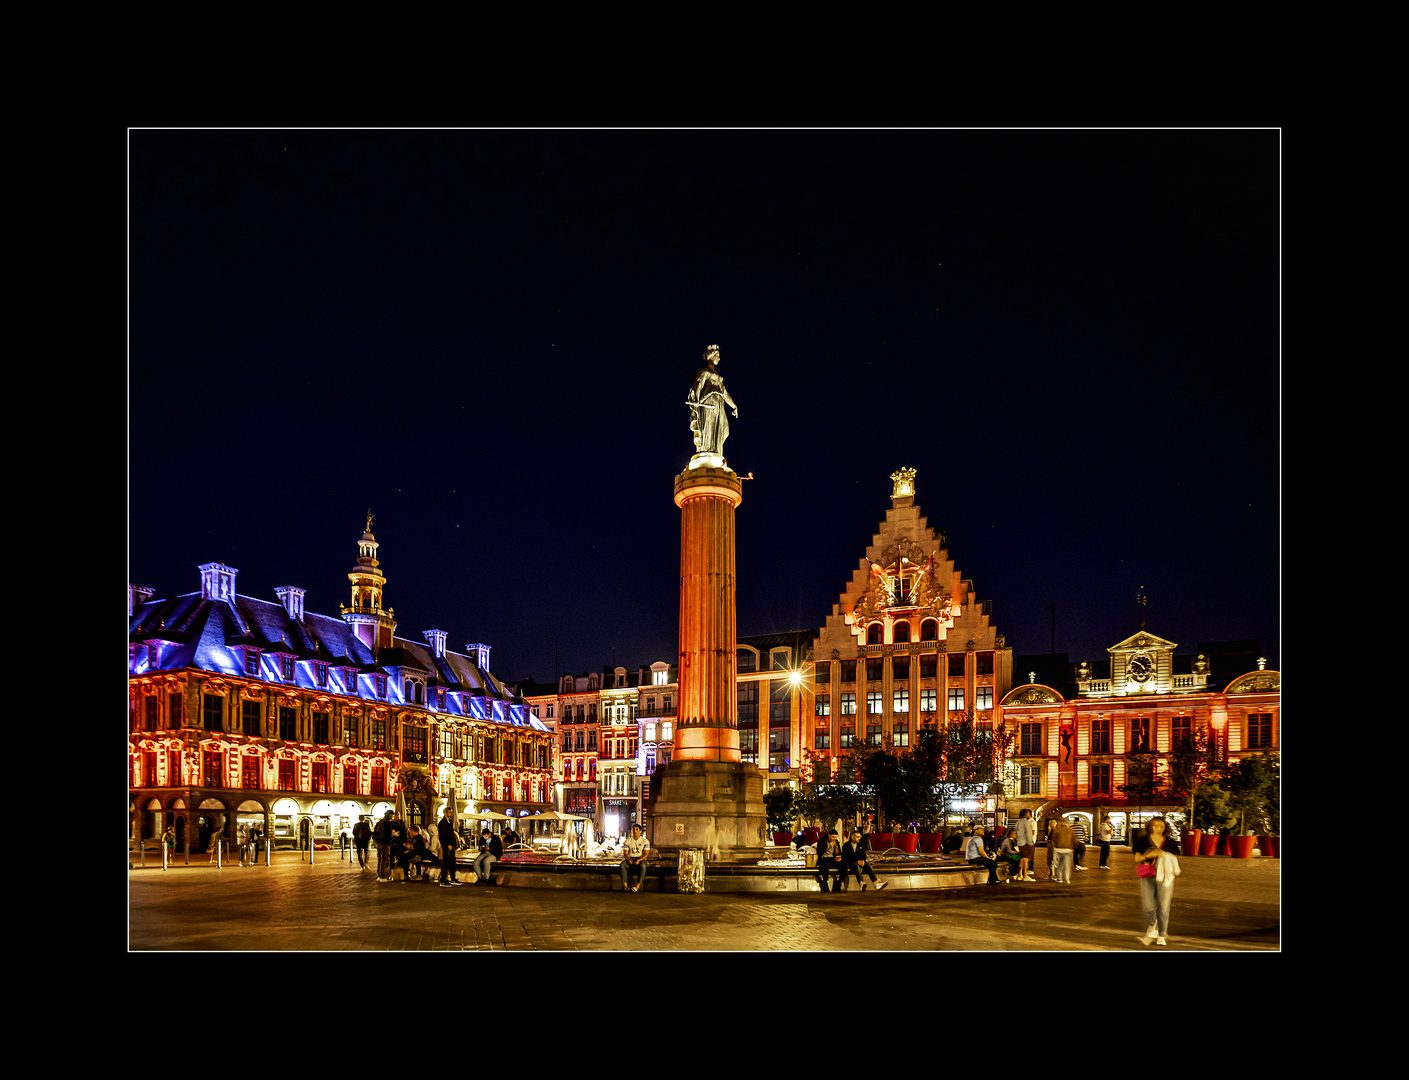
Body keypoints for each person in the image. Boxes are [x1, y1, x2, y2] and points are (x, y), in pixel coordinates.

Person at [1133, 817, 1182, 946]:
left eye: (1162, 826)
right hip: (1147, 875)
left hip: (1165, 877)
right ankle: (1152, 926)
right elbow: (1137, 858)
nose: (1159, 828)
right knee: (1148, 907)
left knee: (1163, 907)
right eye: (1156, 825)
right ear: (1150, 826)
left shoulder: (1170, 842)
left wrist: (1164, 855)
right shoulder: (1142, 841)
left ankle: (1162, 934)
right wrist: (1149, 855)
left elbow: (1174, 860)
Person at [687, 344, 739, 457]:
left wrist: (734, 406)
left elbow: (724, 393)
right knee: (709, 429)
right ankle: (707, 453)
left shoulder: (718, 377)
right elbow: (697, 388)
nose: (719, 358)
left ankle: (716, 453)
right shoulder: (704, 373)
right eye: (717, 356)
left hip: (719, 406)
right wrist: (695, 404)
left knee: (723, 430)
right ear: (711, 356)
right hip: (708, 404)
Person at [619, 825, 651, 892]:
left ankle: (637, 886)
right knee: (622, 865)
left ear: (640, 831)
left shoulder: (645, 841)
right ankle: (625, 886)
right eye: (634, 829)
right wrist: (628, 859)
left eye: (637, 829)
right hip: (631, 858)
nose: (635, 831)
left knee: (643, 866)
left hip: (640, 858)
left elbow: (646, 854)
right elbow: (625, 853)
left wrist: (639, 860)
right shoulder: (627, 841)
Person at [436, 808, 462, 886]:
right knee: (446, 863)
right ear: (445, 813)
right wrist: (447, 845)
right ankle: (443, 880)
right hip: (446, 846)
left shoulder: (449, 822)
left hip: (451, 845)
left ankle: (453, 878)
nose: (451, 814)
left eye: (451, 812)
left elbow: (451, 834)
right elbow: (442, 836)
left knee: (452, 863)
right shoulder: (442, 823)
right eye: (450, 812)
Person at [1049, 815, 1076, 883]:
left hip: (1058, 849)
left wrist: (1055, 845)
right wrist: (1072, 847)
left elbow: (1053, 840)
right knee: (1067, 865)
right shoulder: (1071, 830)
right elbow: (1074, 840)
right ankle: (1067, 878)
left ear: (1059, 822)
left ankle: (1059, 878)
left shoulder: (1057, 830)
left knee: (1059, 864)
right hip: (1068, 849)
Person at [1014, 809, 1037, 881]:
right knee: (1026, 859)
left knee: (1022, 858)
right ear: (1026, 814)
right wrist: (1030, 842)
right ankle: (1025, 875)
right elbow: (1029, 833)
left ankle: (1020, 874)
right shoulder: (1026, 822)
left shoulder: (1018, 822)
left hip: (1020, 842)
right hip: (1026, 843)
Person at [373, 810, 395, 880]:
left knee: (380, 858)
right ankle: (382, 875)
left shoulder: (380, 822)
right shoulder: (387, 823)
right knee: (384, 858)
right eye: (392, 815)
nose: (392, 817)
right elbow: (387, 834)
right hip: (384, 842)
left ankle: (379, 874)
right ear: (390, 815)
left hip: (379, 842)